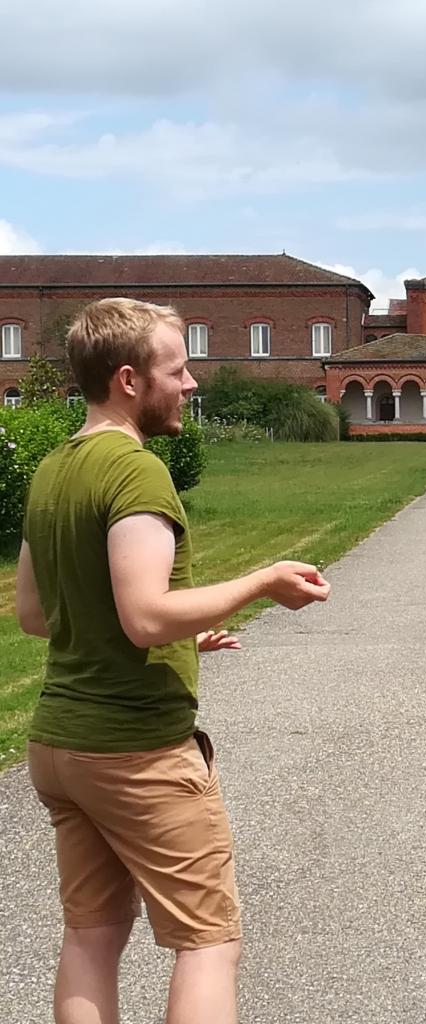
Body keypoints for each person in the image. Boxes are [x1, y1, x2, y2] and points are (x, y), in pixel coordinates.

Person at [15, 297, 331, 1024]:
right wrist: (261, 581)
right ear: (129, 379)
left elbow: (38, 614)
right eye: (178, 368)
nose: (191, 383)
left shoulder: (51, 470)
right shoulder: (136, 471)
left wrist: (185, 637)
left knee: (92, 935)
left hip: (61, 746)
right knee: (207, 941)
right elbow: (146, 614)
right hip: (136, 752)